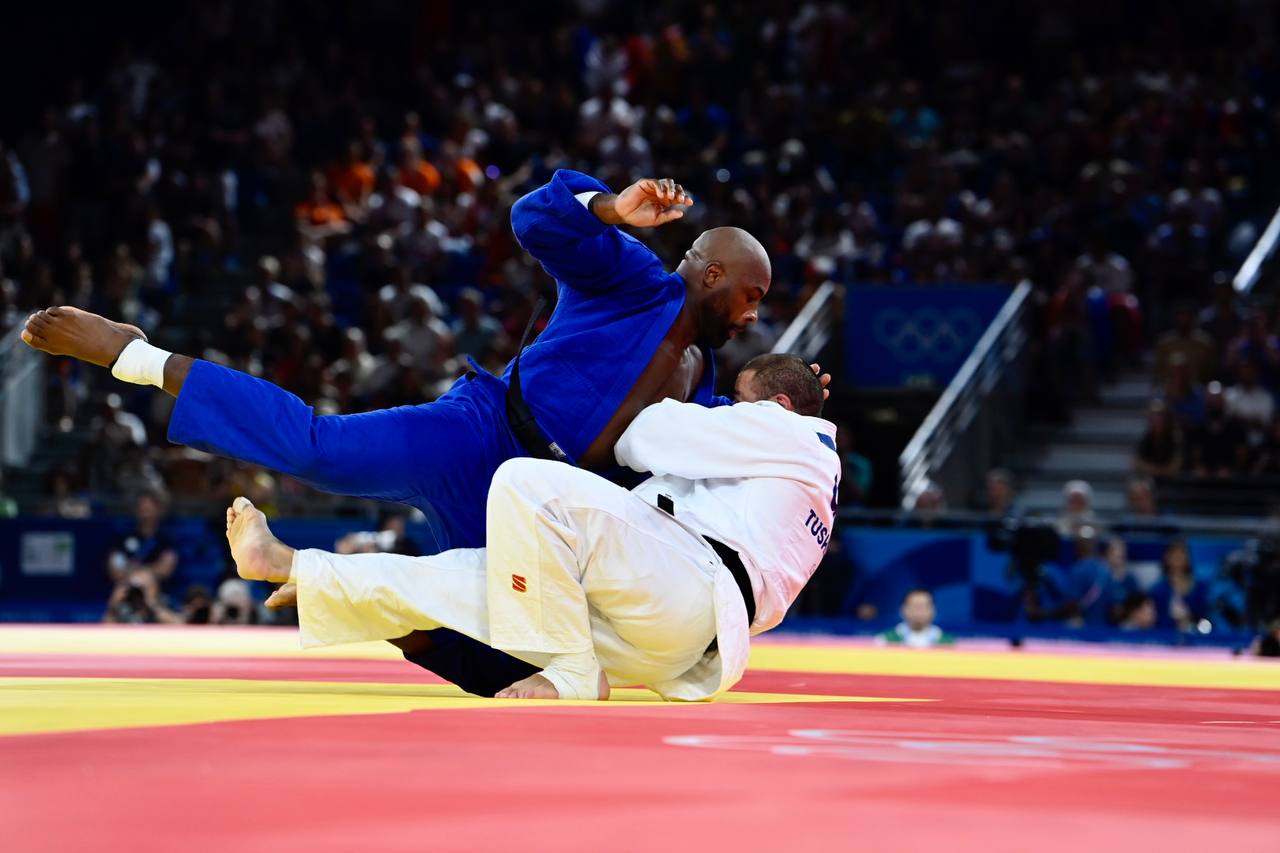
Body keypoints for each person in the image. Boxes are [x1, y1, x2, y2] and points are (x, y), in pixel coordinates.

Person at [23, 171, 818, 697]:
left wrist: (804, 419)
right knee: (316, 448)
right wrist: (610, 211)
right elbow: (534, 219)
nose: (752, 317)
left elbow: (718, 485)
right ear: (712, 274)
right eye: (750, 297)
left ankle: (373, 611)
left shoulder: (707, 387)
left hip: (537, 511)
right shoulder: (632, 274)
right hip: (477, 431)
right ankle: (137, 354)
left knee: (512, 655)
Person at [225, 355, 839, 700]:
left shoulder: (789, 433)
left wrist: (720, 415)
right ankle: (292, 564)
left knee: (527, 483)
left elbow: (643, 435)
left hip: (686, 586)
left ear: (777, 407)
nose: (728, 407)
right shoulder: (799, 477)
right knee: (462, 579)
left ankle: (571, 674)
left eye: (738, 398)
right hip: (666, 639)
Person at [878, 590, 954, 648]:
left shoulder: (947, 642)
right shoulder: (885, 640)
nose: (919, 611)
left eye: (924, 606)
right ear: (902, 610)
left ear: (933, 610)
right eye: (915, 606)